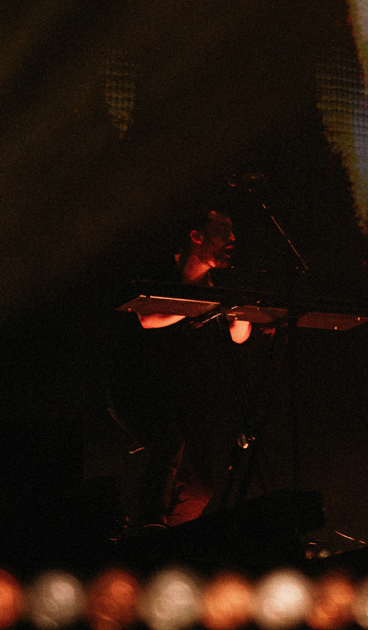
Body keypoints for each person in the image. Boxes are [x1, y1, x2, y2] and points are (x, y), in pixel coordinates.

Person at [115, 208, 254, 527]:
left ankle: (167, 540)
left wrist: (241, 310)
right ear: (197, 236)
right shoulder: (161, 271)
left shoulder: (220, 284)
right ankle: (149, 524)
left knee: (199, 489)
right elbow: (147, 318)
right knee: (169, 438)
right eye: (223, 231)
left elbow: (238, 337)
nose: (232, 239)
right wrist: (203, 304)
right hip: (138, 388)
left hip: (187, 400)